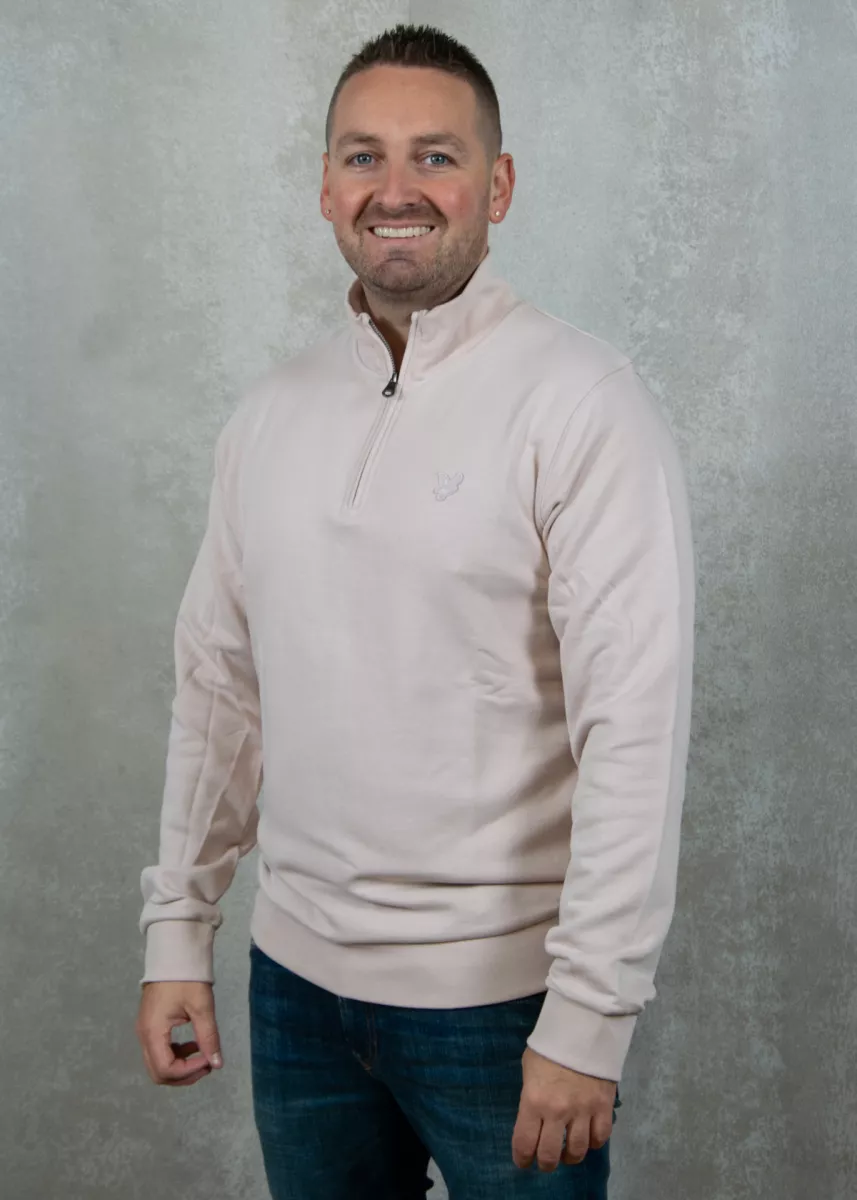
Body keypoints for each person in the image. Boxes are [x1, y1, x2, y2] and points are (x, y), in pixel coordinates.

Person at [135, 22, 695, 1200]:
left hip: (503, 1009)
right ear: (325, 187)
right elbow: (219, 688)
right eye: (363, 156)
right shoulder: (268, 416)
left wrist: (589, 1016)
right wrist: (178, 928)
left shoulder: (584, 404)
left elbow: (633, 732)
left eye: (434, 156)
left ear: (498, 185)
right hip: (294, 996)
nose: (394, 190)